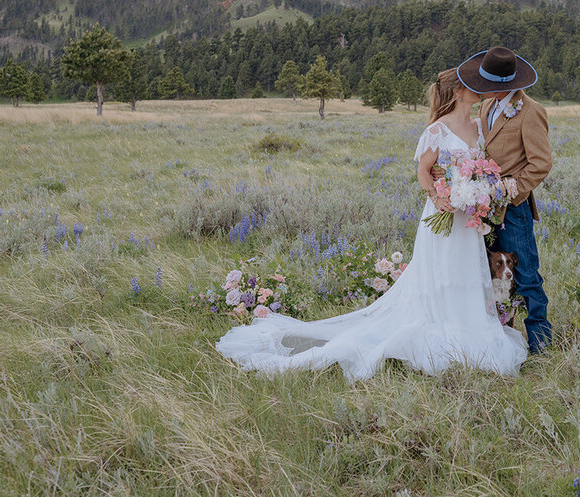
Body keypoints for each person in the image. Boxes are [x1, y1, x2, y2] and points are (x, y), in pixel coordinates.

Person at [214, 67, 527, 381]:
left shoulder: (477, 127)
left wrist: (479, 191)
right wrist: (438, 196)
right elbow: (423, 171)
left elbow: (482, 168)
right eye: (471, 86)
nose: (478, 89)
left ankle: (468, 325)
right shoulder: (437, 129)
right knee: (442, 274)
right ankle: (441, 328)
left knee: (466, 272)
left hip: (468, 221)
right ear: (459, 93)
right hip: (442, 216)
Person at [457, 47, 553, 354]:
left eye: (493, 87)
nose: (487, 92)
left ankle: (540, 343)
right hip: (484, 208)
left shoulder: (531, 111)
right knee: (488, 271)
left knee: (525, 274)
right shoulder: (487, 107)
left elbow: (541, 162)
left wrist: (513, 190)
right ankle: (497, 335)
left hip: (513, 208)